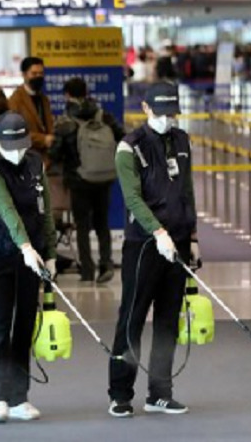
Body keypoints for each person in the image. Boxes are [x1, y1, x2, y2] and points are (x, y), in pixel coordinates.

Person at [108, 81, 198, 418]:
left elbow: (187, 190)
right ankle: (120, 394)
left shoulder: (182, 140)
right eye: (161, 113)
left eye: (172, 113)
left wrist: (192, 235)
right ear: (145, 109)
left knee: (168, 321)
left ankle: (160, 393)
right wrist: (158, 232)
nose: (167, 119)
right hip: (144, 244)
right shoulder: (129, 147)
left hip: (179, 242)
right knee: (132, 318)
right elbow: (132, 198)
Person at [0, 112, 56, 423]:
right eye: (12, 146)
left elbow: (45, 210)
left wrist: (49, 253)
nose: (18, 152)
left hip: (30, 254)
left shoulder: (35, 163)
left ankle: (19, 397)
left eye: (23, 145)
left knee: (24, 324)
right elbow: (7, 210)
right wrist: (25, 247)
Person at [50, 77, 125, 283]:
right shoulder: (103, 116)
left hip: (78, 179)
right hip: (104, 176)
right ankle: (106, 263)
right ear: (86, 92)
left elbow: (55, 152)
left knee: (82, 225)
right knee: (102, 222)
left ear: (67, 95)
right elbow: (122, 136)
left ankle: (87, 270)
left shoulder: (65, 121)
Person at [8, 57, 54, 158]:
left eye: (41, 73)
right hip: (26, 157)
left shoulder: (44, 99)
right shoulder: (15, 100)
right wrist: (43, 139)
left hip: (46, 157)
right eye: (34, 73)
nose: (38, 76)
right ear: (24, 75)